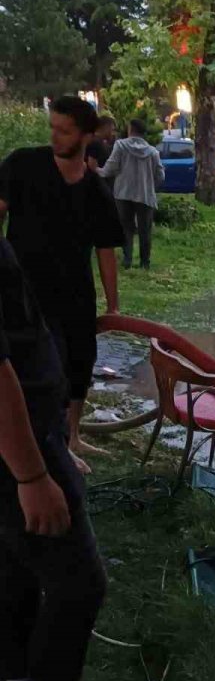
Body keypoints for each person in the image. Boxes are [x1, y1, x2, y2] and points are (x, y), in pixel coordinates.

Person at [0, 237, 131, 681]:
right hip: (15, 446)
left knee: (16, 575)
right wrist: (32, 475)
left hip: (30, 432)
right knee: (79, 585)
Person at [0, 95, 123, 472]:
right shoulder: (23, 164)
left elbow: (105, 250)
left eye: (64, 131)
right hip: (26, 289)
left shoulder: (95, 192)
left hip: (76, 290)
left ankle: (72, 436)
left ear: (86, 135)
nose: (55, 136)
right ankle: (51, 443)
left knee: (80, 363)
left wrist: (113, 306)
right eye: (53, 128)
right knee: (45, 368)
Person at [100, 118, 166, 271]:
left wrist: (99, 171)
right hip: (145, 195)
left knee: (126, 228)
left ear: (130, 129)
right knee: (145, 230)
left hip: (123, 193)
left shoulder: (120, 146)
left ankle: (127, 260)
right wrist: (151, 186)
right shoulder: (152, 152)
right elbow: (160, 175)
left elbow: (111, 167)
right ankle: (145, 262)